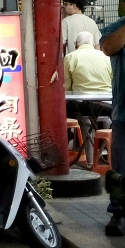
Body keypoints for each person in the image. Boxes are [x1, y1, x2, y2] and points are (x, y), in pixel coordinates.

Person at [65, 31, 114, 167]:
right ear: (94, 44)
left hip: (82, 106)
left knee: (64, 111)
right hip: (107, 106)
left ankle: (69, 146)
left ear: (76, 44)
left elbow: (66, 87)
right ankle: (104, 150)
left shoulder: (70, 57)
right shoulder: (106, 57)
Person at [100, 16, 125, 235]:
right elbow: (108, 48)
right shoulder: (116, 28)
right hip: (123, 115)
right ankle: (118, 213)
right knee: (121, 168)